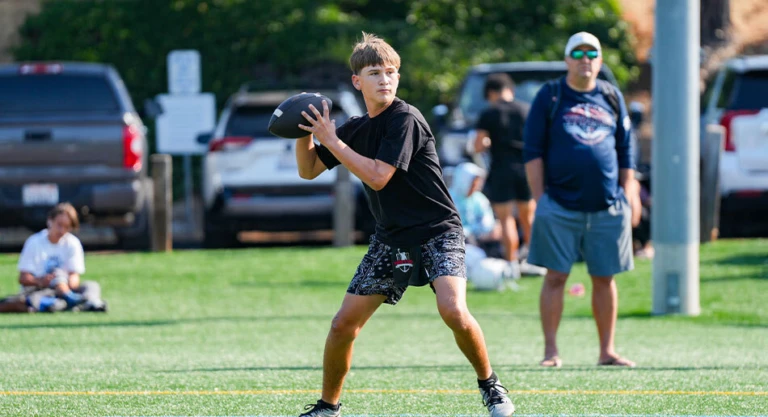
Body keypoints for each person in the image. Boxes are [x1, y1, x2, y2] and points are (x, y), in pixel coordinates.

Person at [293, 32, 515, 417]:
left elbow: (379, 176)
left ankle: (490, 385)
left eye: (391, 72)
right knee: (343, 324)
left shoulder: (406, 118)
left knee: (453, 311)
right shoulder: (357, 128)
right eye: (375, 72)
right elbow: (309, 169)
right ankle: (328, 406)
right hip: (391, 238)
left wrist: (333, 141)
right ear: (356, 81)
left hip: (437, 230)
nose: (384, 79)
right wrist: (304, 134)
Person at [523, 32, 638, 368]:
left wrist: (629, 190)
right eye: (578, 52)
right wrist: (540, 198)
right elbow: (532, 151)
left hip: (607, 205)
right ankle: (551, 352)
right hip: (558, 204)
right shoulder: (551, 95)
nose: (585, 58)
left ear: (600, 61)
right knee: (556, 276)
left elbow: (626, 149)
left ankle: (607, 351)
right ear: (567, 60)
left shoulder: (612, 95)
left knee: (604, 277)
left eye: (592, 53)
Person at [473, 73, 539, 269]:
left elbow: (478, 145)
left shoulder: (488, 114)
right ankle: (537, 261)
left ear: (491, 93)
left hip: (501, 170)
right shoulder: (527, 110)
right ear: (510, 89)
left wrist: (487, 143)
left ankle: (511, 266)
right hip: (526, 170)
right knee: (529, 217)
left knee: (506, 219)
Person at [0, 203, 107, 313]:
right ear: (49, 221)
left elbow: (74, 276)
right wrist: (41, 281)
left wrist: (64, 284)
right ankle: (70, 303)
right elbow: (23, 278)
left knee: (91, 286)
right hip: (41, 289)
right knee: (32, 298)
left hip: (66, 288)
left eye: (67, 227)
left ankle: (83, 302)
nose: (62, 231)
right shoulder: (34, 242)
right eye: (59, 225)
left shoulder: (72, 243)